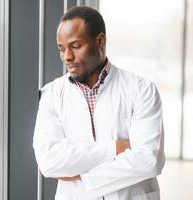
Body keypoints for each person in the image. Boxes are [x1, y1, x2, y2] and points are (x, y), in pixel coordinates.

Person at [33, 6, 165, 200]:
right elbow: (48, 161)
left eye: (75, 46)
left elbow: (149, 160)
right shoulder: (51, 94)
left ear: (100, 41)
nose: (67, 57)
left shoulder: (141, 89)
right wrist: (116, 149)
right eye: (62, 49)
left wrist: (83, 178)